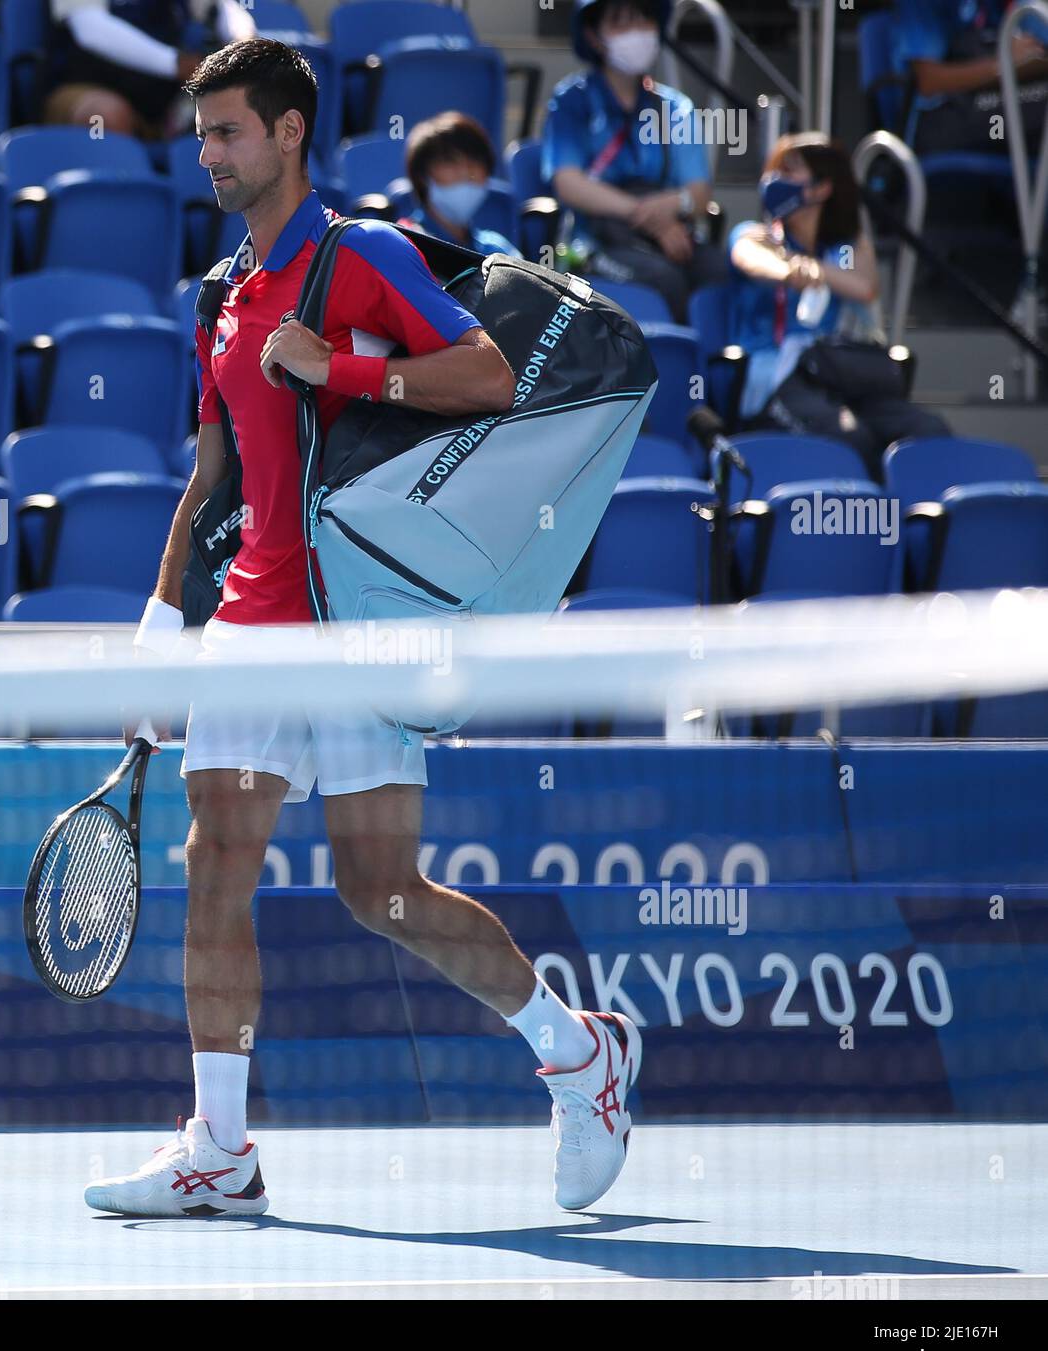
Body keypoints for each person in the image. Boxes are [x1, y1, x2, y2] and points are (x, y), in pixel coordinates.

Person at [86, 37, 642, 1219]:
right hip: (249, 620)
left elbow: (488, 375)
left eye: (229, 131)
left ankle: (576, 1052)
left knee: (381, 891)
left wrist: (338, 368)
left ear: (289, 133)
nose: (210, 154)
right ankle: (219, 1147)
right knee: (218, 860)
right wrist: (160, 617)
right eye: (202, 134)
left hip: (355, 624)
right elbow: (214, 475)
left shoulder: (364, 255)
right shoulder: (219, 295)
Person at [728, 132, 950, 477]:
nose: (775, 181)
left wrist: (817, 268)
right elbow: (748, 257)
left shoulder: (841, 249)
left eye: (789, 172)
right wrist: (789, 269)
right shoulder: (758, 235)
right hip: (775, 380)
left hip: (836, 373)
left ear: (821, 187)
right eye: (774, 172)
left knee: (929, 432)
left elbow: (865, 286)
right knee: (848, 438)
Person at [542, 0, 728, 321]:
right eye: (620, 22)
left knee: (718, 270)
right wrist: (645, 215)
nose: (636, 32)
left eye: (644, 20)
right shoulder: (571, 100)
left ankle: (713, 368)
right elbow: (568, 184)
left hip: (669, 233)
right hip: (593, 242)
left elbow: (699, 194)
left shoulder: (674, 106)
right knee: (663, 281)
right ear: (594, 36)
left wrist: (675, 204)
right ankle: (672, 365)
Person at [44, 0, 254, 138]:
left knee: (244, 106)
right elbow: (89, 28)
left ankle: (201, 204)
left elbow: (224, 11)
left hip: (162, 100)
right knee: (106, 115)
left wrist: (242, 45)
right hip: (84, 87)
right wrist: (176, 64)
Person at [892, 0, 1048, 155]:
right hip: (944, 123)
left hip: (999, 109)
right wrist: (1003, 64)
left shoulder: (1010, 6)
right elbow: (929, 82)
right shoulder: (923, 5)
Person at [397, 111, 521, 257]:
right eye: (450, 162)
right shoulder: (402, 244)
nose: (465, 173)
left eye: (473, 162)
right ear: (422, 176)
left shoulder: (498, 250)